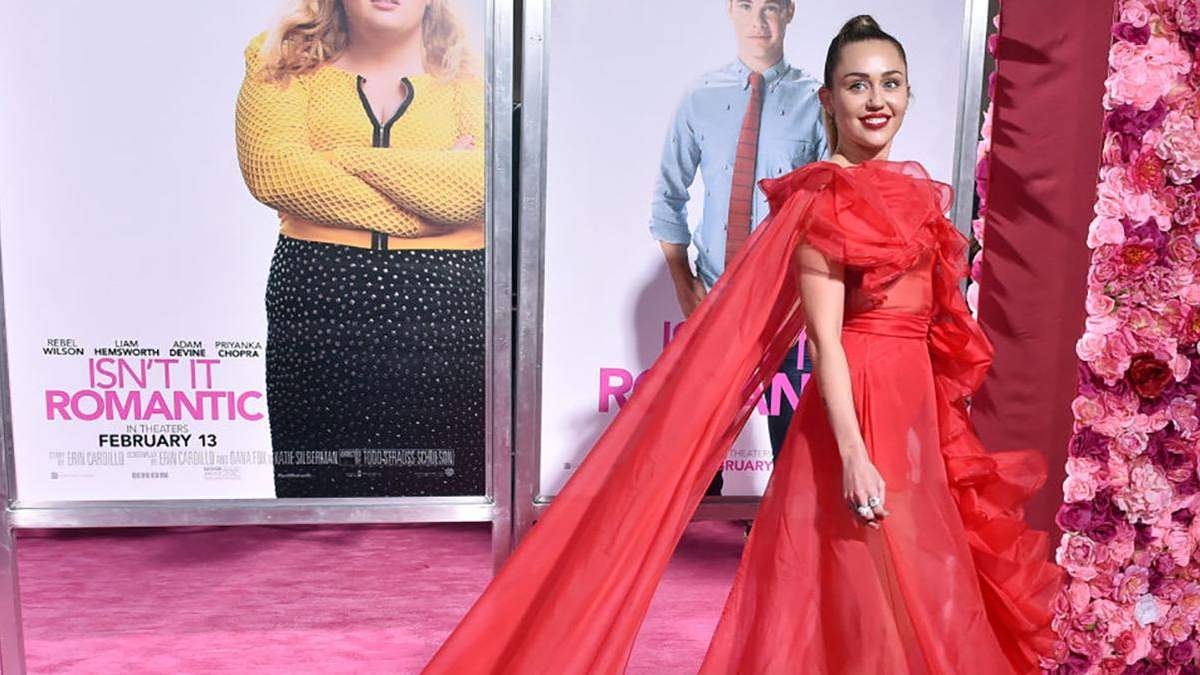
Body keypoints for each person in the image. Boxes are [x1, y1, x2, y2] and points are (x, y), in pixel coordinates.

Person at [424, 15, 1063, 674]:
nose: (877, 100)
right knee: (862, 585)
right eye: (857, 85)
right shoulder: (824, 198)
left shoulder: (910, 193)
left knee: (910, 588)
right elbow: (826, 344)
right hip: (856, 413)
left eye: (890, 83)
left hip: (911, 412)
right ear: (828, 100)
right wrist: (854, 454)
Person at [235, 0, 487, 498]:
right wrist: (426, 201)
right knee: (323, 497)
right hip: (318, 299)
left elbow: (478, 187)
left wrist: (338, 159)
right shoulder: (280, 57)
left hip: (450, 305)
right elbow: (273, 171)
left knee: (451, 494)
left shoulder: (472, 72)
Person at [652, 0, 826, 494]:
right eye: (747, 5)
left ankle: (777, 528)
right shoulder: (701, 98)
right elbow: (668, 194)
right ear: (730, 9)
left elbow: (828, 209)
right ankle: (696, 518)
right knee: (700, 443)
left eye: (771, 7)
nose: (758, 20)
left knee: (791, 435)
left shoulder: (817, 102)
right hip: (715, 292)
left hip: (785, 301)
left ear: (789, 12)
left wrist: (807, 297)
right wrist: (684, 284)